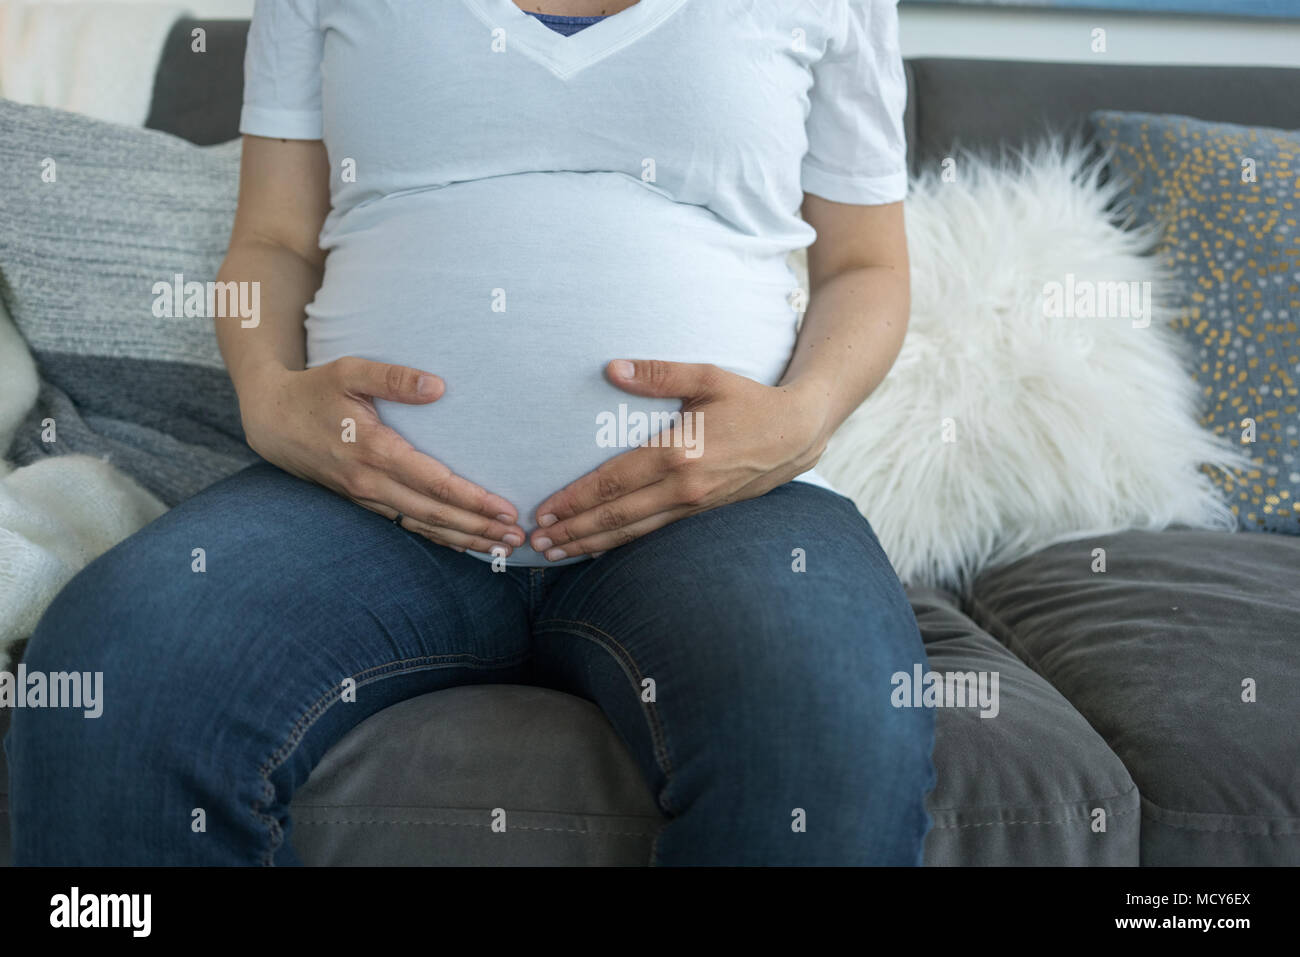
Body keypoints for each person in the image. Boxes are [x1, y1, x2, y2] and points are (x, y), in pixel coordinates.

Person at [6, 0, 935, 865]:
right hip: (360, 505)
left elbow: (866, 266)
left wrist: (800, 418)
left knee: (836, 721)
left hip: (718, 509)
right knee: (114, 668)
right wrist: (265, 391)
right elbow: (273, 242)